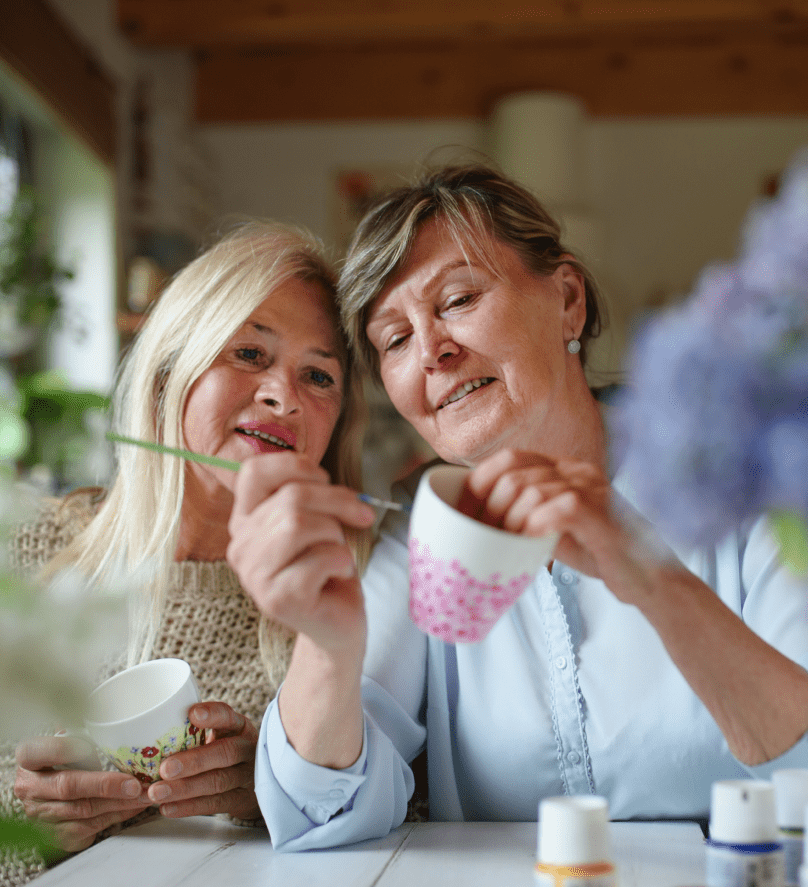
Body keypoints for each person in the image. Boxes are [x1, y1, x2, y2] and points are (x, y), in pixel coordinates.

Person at [226, 163, 808, 850]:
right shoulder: (421, 527)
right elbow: (315, 811)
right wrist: (327, 645)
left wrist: (650, 576)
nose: (433, 353)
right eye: (396, 339)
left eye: (459, 300)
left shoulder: (741, 474)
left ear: (568, 299)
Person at [0, 220, 374, 887]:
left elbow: (407, 817)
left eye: (318, 375)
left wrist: (279, 784)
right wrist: (30, 834)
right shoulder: (21, 552)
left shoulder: (348, 592)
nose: (283, 396)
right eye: (250, 354)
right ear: (169, 375)